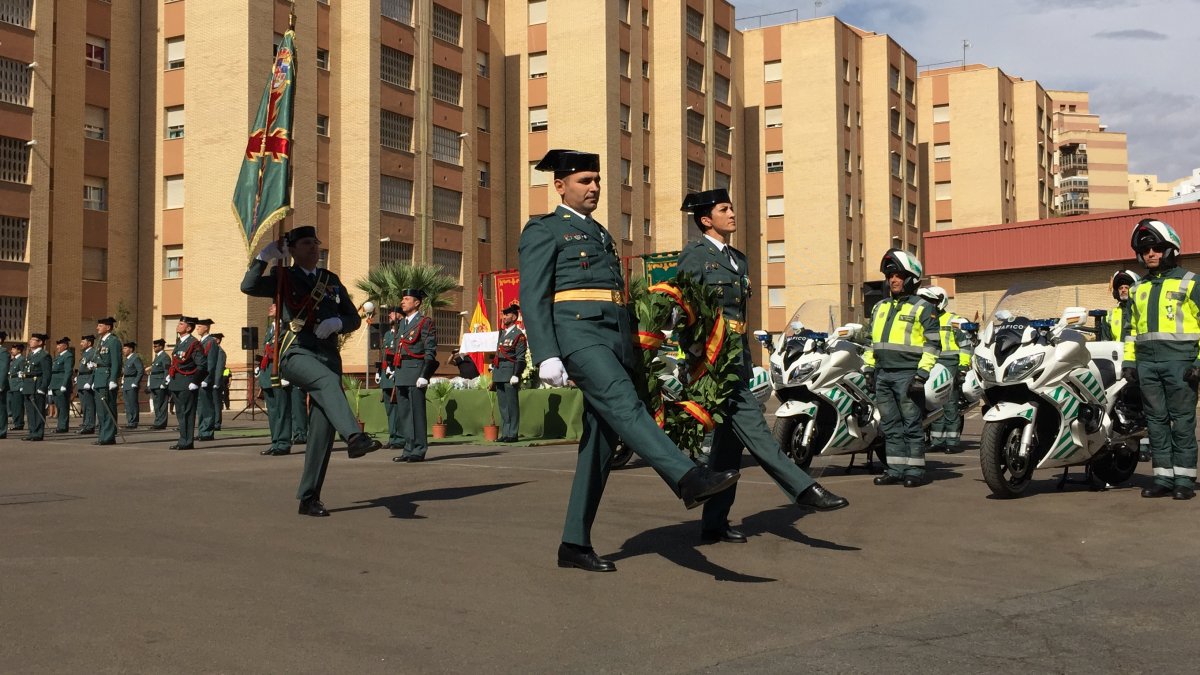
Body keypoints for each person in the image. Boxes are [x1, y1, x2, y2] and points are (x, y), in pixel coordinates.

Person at [518, 148, 740, 572]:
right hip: (578, 336)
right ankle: (688, 476)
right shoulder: (545, 230)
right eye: (585, 181)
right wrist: (545, 353)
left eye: (597, 180)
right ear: (560, 185)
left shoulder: (600, 233)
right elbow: (533, 294)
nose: (595, 187)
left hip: (616, 340)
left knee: (599, 446)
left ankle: (574, 543)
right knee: (625, 404)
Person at [678, 189, 848, 544]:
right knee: (756, 429)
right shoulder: (694, 256)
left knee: (727, 449)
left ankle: (714, 523)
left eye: (732, 206)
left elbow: (739, 315)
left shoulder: (739, 259)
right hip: (712, 363)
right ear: (706, 219)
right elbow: (685, 311)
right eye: (724, 209)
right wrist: (694, 357)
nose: (732, 213)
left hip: (736, 357)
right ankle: (803, 489)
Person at [241, 225, 382, 517]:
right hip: (296, 353)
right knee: (328, 382)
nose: (313, 248)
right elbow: (249, 286)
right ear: (291, 250)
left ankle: (309, 497)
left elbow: (352, 319)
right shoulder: (283, 277)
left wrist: (339, 324)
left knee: (321, 432)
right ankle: (355, 438)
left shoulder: (330, 280)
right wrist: (264, 257)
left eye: (315, 243)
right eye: (306, 244)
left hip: (328, 355)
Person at [1126, 218, 1200, 501]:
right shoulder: (1137, 289)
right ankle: (1163, 478)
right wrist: (1130, 365)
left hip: (1181, 364)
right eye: (1145, 251)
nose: (1151, 254)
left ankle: (1184, 480)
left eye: (1156, 248)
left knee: (1181, 422)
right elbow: (1132, 331)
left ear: (1170, 249)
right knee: (1155, 422)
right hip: (1147, 366)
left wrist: (1199, 363)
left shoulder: (1191, 283)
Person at [864, 249, 941, 488]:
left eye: (898, 275)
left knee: (911, 425)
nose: (893, 280)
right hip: (883, 374)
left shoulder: (923, 307)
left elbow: (932, 344)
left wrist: (922, 374)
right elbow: (871, 341)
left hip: (909, 375)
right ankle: (895, 470)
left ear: (911, 278)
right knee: (889, 426)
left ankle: (915, 471)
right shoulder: (880, 307)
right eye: (890, 276)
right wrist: (868, 368)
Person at [917, 286, 971, 454]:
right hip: (931, 362)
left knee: (949, 402)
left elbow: (965, 346)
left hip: (950, 363)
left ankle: (952, 441)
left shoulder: (953, 320)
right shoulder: (923, 319)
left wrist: (963, 367)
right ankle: (937, 440)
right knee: (933, 402)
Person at [390, 288, 438, 463]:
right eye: (402, 299)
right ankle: (408, 448)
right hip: (402, 371)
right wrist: (393, 368)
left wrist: (425, 374)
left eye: (406, 298)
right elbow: (398, 348)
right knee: (404, 414)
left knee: (416, 413)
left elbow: (430, 349)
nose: (402, 302)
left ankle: (418, 449)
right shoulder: (402, 323)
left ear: (417, 302)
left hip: (416, 371)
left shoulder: (425, 322)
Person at [258, 304, 293, 456]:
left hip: (279, 374)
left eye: (274, 306)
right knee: (272, 411)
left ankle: (284, 443)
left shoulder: (287, 329)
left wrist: (286, 375)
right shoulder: (271, 328)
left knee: (282, 410)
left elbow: (288, 352)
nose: (270, 308)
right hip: (268, 374)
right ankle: (275, 441)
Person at [167, 317, 207, 450]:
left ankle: (187, 441)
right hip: (177, 381)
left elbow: (202, 365)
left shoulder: (193, 343)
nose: (177, 326)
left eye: (181, 324)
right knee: (180, 413)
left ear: (189, 328)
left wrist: (195, 381)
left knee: (187, 413)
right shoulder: (180, 342)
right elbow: (176, 362)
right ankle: (182, 440)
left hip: (187, 381)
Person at [492, 303, 526, 443]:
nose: (504, 317)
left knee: (512, 405)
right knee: (503, 406)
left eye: (506, 314)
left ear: (514, 316)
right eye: (503, 314)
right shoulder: (502, 333)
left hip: (510, 373)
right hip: (499, 372)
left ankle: (513, 433)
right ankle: (505, 433)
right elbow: (498, 352)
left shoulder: (518, 335)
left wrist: (516, 374)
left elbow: (520, 357)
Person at [92, 317, 122, 446]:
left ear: (108, 327)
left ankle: (108, 436)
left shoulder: (113, 341)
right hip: (99, 377)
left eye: (100, 325)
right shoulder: (101, 341)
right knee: (101, 410)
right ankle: (103, 434)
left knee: (107, 408)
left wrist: (113, 379)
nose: (97, 328)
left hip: (106, 377)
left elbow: (116, 361)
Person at [379, 307, 403, 450]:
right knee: (390, 410)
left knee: (398, 409)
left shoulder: (402, 333)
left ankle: (400, 438)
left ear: (400, 315)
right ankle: (393, 437)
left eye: (392, 313)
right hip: (386, 376)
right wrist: (378, 372)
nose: (389, 315)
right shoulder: (388, 334)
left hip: (396, 375)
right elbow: (384, 354)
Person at [19, 333, 51, 442]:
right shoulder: (31, 355)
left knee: (38, 409)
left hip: (37, 385)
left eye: (34, 340)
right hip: (28, 385)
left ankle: (38, 433)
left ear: (40, 342)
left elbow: (47, 373)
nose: (30, 341)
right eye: (31, 339)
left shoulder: (44, 355)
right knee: (30, 410)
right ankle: (32, 431)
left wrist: (43, 387)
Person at [194, 319, 217, 442]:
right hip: (199, 378)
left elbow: (211, 362)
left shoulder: (211, 342)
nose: (197, 328)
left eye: (200, 326)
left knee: (207, 406)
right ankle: (202, 430)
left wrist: (207, 379)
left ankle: (207, 432)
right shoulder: (200, 341)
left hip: (205, 379)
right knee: (200, 407)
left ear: (206, 328)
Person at [1102, 269, 1139, 342]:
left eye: (1126, 288)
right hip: (1117, 352)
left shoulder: (1139, 311)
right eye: (1120, 288)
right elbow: (1105, 342)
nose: (1123, 290)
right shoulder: (1109, 316)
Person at [48, 337, 74, 434]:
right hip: (55, 384)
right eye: (57, 345)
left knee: (63, 406)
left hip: (61, 384)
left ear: (65, 346)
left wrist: (64, 384)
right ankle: (60, 425)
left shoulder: (68, 356)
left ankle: (63, 426)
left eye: (59, 345)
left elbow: (68, 371)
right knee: (58, 405)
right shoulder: (59, 356)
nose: (57, 347)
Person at [76, 335, 97, 434]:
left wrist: (90, 382)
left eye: (83, 342)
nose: (81, 344)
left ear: (89, 343)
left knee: (89, 405)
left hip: (87, 380)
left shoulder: (93, 353)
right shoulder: (85, 353)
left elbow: (93, 369)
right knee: (84, 405)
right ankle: (85, 424)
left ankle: (90, 425)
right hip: (82, 380)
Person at [147, 338, 171, 430]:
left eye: (156, 346)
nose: (154, 348)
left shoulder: (165, 357)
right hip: (154, 383)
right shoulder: (157, 357)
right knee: (157, 404)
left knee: (162, 404)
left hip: (160, 383)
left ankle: (161, 423)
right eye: (153, 346)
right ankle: (157, 421)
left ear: (161, 346)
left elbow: (167, 371)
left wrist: (164, 383)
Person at [121, 341, 143, 429]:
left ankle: (134, 421)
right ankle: (129, 421)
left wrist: (136, 382)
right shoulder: (127, 359)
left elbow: (140, 371)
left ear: (130, 349)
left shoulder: (135, 358)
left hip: (132, 381)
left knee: (132, 403)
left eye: (125, 348)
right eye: (123, 348)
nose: (123, 350)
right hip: (126, 382)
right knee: (127, 403)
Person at [210, 333, 227, 431]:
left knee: (216, 403)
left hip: (216, 382)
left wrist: (216, 382)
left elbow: (219, 368)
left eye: (213, 339)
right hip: (209, 381)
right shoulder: (212, 351)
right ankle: (211, 421)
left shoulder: (220, 352)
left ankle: (216, 423)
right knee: (210, 403)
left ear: (218, 340)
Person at [8, 343, 25, 431]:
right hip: (12, 384)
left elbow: (23, 373)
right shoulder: (14, 360)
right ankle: (16, 422)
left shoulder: (21, 359)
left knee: (18, 406)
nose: (12, 351)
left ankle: (19, 424)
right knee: (13, 406)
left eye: (14, 349)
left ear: (19, 350)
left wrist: (22, 385)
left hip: (18, 385)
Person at [0, 332, 8, 439]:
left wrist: (1, 384)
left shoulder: (3, 352)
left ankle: (2, 431)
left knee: (1, 409)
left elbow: (3, 369)